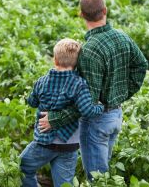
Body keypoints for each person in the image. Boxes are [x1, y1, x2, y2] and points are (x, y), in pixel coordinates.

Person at [38, 0, 148, 180]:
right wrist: (122, 94)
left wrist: (54, 119)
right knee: (103, 175)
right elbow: (141, 65)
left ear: (81, 15)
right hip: (115, 116)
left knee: (97, 179)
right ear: (105, 11)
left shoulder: (88, 51)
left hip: (96, 122)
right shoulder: (122, 37)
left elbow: (86, 102)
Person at [19, 38, 104, 187]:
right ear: (77, 63)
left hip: (45, 142)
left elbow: (31, 102)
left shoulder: (42, 81)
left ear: (55, 60)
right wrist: (101, 107)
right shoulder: (79, 84)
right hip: (69, 144)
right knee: (64, 183)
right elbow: (87, 110)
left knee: (21, 167)